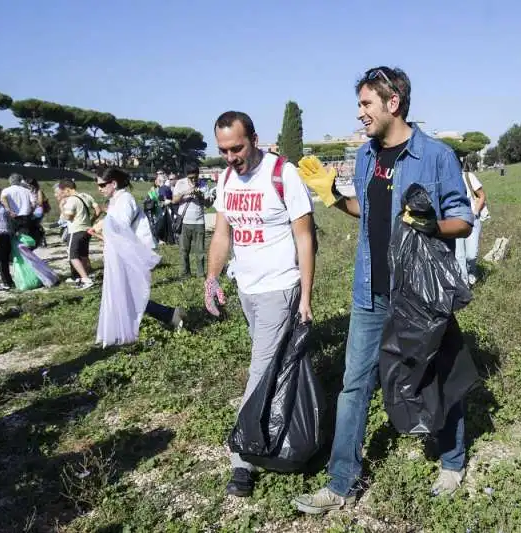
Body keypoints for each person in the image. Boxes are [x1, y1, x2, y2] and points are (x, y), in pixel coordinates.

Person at [292, 66, 473, 514]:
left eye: (366, 104)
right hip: (369, 288)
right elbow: (369, 209)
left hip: (419, 291)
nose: (360, 114)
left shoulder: (436, 156)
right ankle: (341, 482)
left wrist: (433, 225)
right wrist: (332, 195)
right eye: (359, 105)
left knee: (433, 370)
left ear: (393, 104)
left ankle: (451, 461)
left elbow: (462, 219)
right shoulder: (365, 157)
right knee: (354, 385)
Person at [203, 111, 316, 498]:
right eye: (223, 150)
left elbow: (305, 238)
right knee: (268, 365)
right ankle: (269, 427)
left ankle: (241, 458)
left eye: (237, 147)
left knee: (258, 368)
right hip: (246, 288)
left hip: (279, 287)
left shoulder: (282, 174)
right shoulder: (226, 178)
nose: (231, 156)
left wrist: (305, 295)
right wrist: (212, 277)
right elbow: (222, 233)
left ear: (254, 138)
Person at [94, 167, 185, 342]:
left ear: (113, 183)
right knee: (126, 294)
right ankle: (169, 315)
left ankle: (169, 315)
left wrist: (103, 227)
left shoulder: (125, 199)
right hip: (124, 253)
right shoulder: (116, 200)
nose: (100, 189)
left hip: (132, 254)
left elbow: (121, 227)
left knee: (129, 294)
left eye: (102, 185)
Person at [57, 180, 101, 289]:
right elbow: (98, 209)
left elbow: (68, 217)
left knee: (73, 256)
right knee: (83, 255)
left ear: (67, 189)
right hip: (86, 229)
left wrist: (61, 207)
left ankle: (85, 279)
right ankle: (85, 276)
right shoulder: (85, 196)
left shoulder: (71, 200)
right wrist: (91, 220)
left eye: (63, 192)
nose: (62, 194)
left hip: (75, 230)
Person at [173, 163, 210, 277]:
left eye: (195, 177)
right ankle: (185, 274)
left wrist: (200, 196)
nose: (194, 179)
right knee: (184, 250)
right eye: (191, 177)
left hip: (199, 222)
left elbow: (208, 204)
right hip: (184, 221)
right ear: (186, 175)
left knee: (200, 251)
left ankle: (200, 274)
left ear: (198, 175)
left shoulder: (203, 184)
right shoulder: (180, 183)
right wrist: (185, 192)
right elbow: (174, 200)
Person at [455, 158, 487, 286]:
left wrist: (475, 212)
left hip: (472, 220)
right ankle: (465, 285)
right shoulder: (446, 180)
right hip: (455, 222)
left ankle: (472, 273)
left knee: (471, 255)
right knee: (459, 256)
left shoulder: (468, 177)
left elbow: (482, 196)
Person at [24, 177, 49, 247]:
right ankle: (37, 240)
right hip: (30, 211)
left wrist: (33, 202)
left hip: (38, 211)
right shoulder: (28, 191)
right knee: (33, 226)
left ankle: (42, 240)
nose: (28, 186)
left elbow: (40, 202)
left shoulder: (38, 191)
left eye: (29, 184)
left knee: (36, 225)